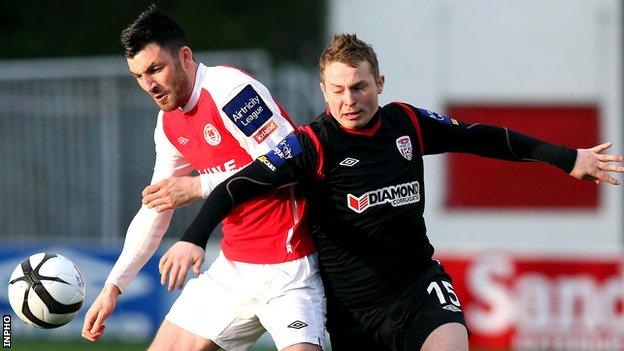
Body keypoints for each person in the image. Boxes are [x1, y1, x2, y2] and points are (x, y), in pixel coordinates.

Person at [159, 33, 624, 351]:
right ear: (324, 90)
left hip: (417, 286)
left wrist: (569, 159)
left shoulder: (407, 123)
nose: (349, 99)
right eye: (338, 89)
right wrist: (194, 236)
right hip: (351, 309)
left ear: (379, 84)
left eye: (360, 87)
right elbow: (237, 185)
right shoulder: (311, 144)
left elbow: (482, 136)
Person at [80, 5, 327, 351]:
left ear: (184, 56)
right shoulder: (168, 124)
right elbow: (158, 205)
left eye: (155, 69)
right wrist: (113, 287)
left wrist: (199, 185)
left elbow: (290, 162)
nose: (149, 85)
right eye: (138, 76)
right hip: (233, 268)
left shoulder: (231, 90)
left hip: (291, 268)